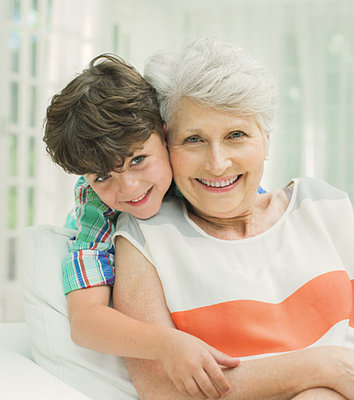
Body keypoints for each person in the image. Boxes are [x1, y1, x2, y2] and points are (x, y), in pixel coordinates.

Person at [113, 38, 354, 399]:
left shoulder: (321, 205)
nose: (217, 163)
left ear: (266, 140)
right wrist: (326, 368)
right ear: (167, 146)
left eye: (236, 135)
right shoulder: (146, 238)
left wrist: (341, 386)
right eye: (194, 139)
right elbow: (163, 389)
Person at [43, 54, 240, 400]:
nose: (129, 188)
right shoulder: (95, 208)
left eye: (138, 160)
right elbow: (86, 321)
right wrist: (166, 344)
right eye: (103, 176)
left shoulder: (199, 169)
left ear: (164, 135)